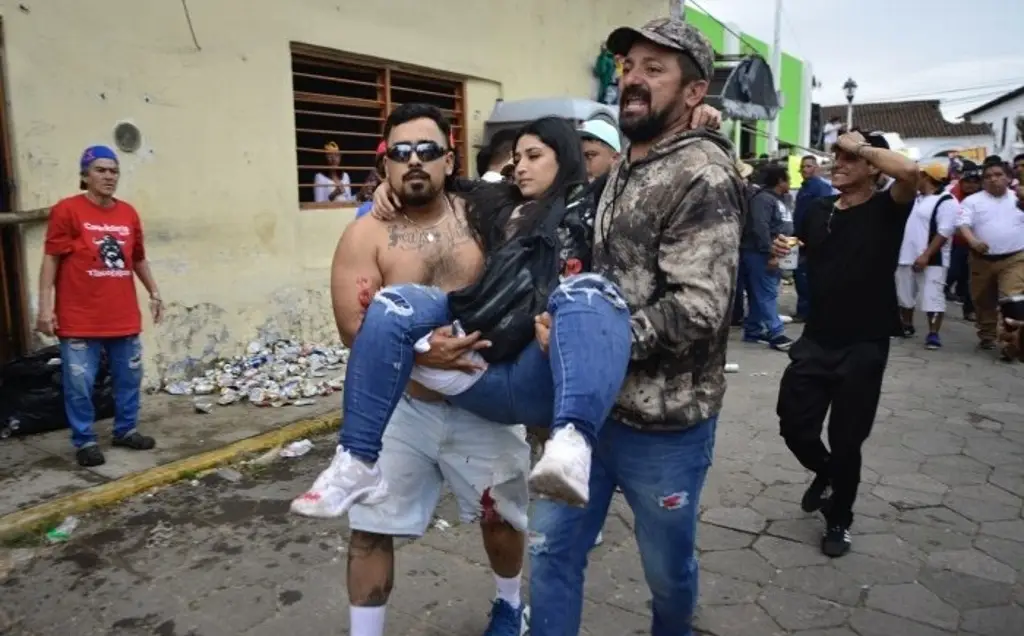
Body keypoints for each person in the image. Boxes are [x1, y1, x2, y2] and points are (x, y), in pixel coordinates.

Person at [291, 112, 634, 526]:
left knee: (587, 294)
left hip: (532, 367)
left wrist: (694, 126)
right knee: (393, 304)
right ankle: (356, 461)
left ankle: (572, 444)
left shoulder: (595, 208)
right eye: (517, 158)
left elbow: (644, 179)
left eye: (534, 156)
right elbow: (433, 182)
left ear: (565, 159)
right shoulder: (494, 203)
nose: (520, 166)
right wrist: (390, 182)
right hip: (472, 369)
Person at [529, 18, 744, 636]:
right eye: (629, 67)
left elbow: (701, 307)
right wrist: (566, 317)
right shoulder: (623, 166)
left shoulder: (702, 174)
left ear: (694, 93)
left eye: (656, 69)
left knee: (666, 573)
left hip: (665, 425)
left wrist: (594, 339)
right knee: (550, 550)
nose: (633, 80)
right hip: (589, 416)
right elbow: (603, 276)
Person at [307, 104, 536, 636]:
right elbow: (352, 330)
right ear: (383, 164)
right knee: (368, 528)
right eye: (400, 152)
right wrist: (417, 356)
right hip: (402, 405)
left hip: (485, 399)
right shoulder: (365, 236)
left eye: (427, 151)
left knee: (503, 518)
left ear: (448, 158)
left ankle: (509, 605)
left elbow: (558, 188)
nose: (414, 162)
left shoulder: (488, 212)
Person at [772, 130, 918, 558]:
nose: (838, 162)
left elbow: (910, 171)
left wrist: (860, 144)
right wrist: (780, 248)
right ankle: (828, 473)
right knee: (794, 424)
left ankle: (840, 518)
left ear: (873, 165)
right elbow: (792, 254)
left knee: (847, 437)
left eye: (848, 157)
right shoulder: (817, 209)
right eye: (834, 155)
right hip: (817, 338)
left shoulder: (888, 208)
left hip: (865, 343)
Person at [36, 145, 163, 467]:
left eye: (114, 170)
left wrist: (155, 293)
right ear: (85, 175)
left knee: (129, 378)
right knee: (79, 384)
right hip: (79, 316)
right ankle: (85, 440)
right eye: (100, 170)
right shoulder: (67, 210)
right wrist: (44, 307)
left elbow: (137, 258)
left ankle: (125, 430)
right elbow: (51, 258)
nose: (108, 176)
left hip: (122, 315)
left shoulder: (128, 213)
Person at [956, 156, 1024, 356]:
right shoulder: (972, 201)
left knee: (1012, 297)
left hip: (1015, 258)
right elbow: (963, 225)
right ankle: (987, 336)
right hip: (981, 260)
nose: (993, 179)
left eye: (998, 175)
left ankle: (1011, 342)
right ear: (983, 181)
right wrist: (974, 242)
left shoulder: (1018, 199)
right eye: (988, 176)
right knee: (983, 301)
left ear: (1008, 177)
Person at [895, 161, 958, 349]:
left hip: (932, 259)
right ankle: (906, 325)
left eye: (920, 176)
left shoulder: (947, 201)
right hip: (906, 254)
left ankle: (933, 334)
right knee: (904, 294)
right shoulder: (915, 198)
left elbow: (944, 232)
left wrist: (926, 255)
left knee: (933, 296)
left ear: (928, 178)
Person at [739, 163, 793, 351]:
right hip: (760, 253)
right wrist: (770, 251)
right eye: (788, 178)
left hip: (776, 251)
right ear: (780, 180)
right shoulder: (763, 200)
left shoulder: (782, 198)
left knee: (760, 292)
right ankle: (776, 332)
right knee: (766, 292)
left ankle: (754, 330)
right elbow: (760, 227)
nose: (791, 182)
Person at [793, 155, 833, 322]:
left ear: (816, 168)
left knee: (807, 275)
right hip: (800, 238)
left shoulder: (821, 188)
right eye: (802, 167)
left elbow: (822, 215)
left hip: (812, 240)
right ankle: (805, 310)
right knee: (800, 274)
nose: (805, 170)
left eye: (808, 166)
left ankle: (809, 311)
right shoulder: (803, 188)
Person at [946, 160, 981, 320]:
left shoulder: (982, 196)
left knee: (970, 279)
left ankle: (969, 310)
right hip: (956, 243)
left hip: (977, 244)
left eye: (975, 182)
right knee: (954, 272)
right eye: (967, 182)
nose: (971, 186)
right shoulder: (953, 195)